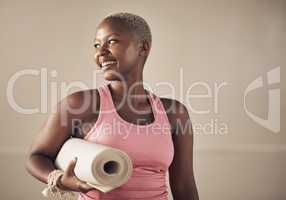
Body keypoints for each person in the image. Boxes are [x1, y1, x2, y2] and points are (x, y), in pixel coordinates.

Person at [25, 12, 199, 200]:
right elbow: (36, 156)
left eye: (112, 41)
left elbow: (184, 184)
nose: (100, 52)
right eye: (97, 45)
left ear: (143, 48)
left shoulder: (174, 113)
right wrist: (59, 179)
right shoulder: (80, 104)